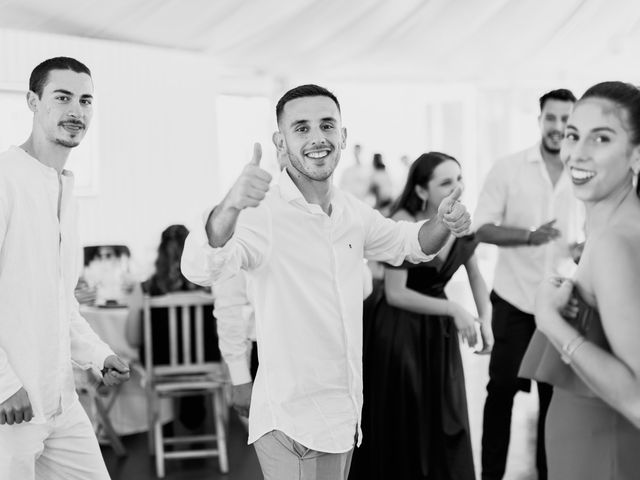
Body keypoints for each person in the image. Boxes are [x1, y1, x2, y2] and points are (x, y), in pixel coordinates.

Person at [181, 84, 471, 480]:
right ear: (280, 141)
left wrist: (442, 221)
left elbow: (410, 245)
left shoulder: (353, 211)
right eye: (301, 128)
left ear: (343, 136)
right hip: (291, 421)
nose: (317, 138)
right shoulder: (260, 212)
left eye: (327, 125)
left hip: (344, 414)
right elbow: (201, 266)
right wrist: (230, 205)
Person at [0, 56, 130, 479]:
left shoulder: (64, 188)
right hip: (11, 408)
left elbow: (61, 303)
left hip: (61, 402)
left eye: (86, 100)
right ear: (33, 102)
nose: (77, 111)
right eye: (63, 97)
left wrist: (100, 355)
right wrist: (3, 385)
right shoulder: (5, 178)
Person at [520, 81, 640, 479]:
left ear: (636, 154)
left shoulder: (614, 244)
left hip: (604, 456)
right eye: (574, 135)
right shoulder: (612, 231)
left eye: (601, 137)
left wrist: (549, 321)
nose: (578, 152)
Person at [349, 152, 493, 480]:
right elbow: (396, 293)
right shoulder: (402, 219)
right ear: (422, 192)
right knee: (406, 418)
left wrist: (485, 317)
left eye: (459, 178)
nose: (458, 187)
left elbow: (475, 274)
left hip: (435, 332)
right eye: (446, 182)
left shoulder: (460, 219)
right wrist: (454, 309)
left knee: (444, 415)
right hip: (398, 329)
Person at [475, 88, 583, 480]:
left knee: (554, 402)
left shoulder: (584, 170)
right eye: (551, 118)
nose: (558, 127)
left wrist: (585, 248)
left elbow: (581, 237)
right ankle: (489, 476)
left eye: (566, 119)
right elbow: (480, 228)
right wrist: (529, 235)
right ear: (539, 120)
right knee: (501, 393)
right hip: (514, 301)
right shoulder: (508, 168)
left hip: (561, 303)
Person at [125, 224, 220, 430]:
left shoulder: (145, 289)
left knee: (160, 350)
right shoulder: (211, 287)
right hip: (206, 360)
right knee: (197, 351)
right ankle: (194, 416)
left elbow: (133, 339)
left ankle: (165, 426)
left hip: (160, 362)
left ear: (160, 253)